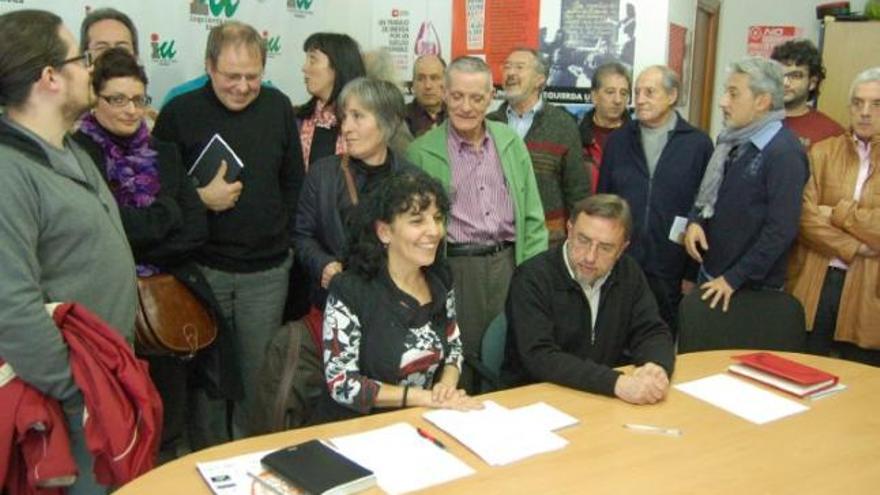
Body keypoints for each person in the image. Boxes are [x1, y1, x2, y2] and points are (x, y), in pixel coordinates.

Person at [71, 48, 239, 458]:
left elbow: (195, 228)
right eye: (117, 99)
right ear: (95, 99)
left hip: (167, 305)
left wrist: (141, 231)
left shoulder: (164, 152)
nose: (131, 110)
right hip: (106, 304)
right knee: (112, 422)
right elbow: (104, 232)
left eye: (139, 99)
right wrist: (166, 214)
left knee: (169, 419)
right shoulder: (78, 154)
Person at [0, 10, 137, 493]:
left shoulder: (70, 150)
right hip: (70, 406)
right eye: (81, 59)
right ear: (50, 77)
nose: (90, 69)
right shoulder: (8, 172)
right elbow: (11, 308)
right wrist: (78, 391)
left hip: (102, 389)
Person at [153, 21, 304, 438]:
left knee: (258, 381)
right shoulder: (179, 113)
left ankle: (246, 462)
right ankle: (207, 461)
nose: (242, 86)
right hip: (203, 273)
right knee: (207, 382)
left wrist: (284, 237)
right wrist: (199, 200)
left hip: (267, 274)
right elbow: (158, 194)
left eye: (252, 77)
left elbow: (293, 182)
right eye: (231, 76)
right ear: (208, 66)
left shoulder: (278, 107)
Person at [407, 56, 548, 392]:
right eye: (457, 96)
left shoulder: (510, 143)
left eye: (476, 98)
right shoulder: (421, 152)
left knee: (511, 353)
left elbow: (532, 216)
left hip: (508, 265)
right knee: (461, 361)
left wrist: (532, 276)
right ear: (444, 94)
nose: (466, 107)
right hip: (455, 269)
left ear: (491, 97)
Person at [312, 170, 482, 423]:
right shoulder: (350, 290)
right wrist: (424, 398)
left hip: (424, 420)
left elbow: (454, 347)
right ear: (384, 232)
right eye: (417, 221)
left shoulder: (440, 278)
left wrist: (446, 389)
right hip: (358, 427)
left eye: (437, 218)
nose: (434, 231)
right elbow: (343, 384)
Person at [503, 195, 675, 404]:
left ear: (622, 249)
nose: (590, 257)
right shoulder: (532, 277)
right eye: (583, 240)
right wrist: (615, 383)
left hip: (600, 399)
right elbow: (540, 357)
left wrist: (655, 367)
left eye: (605, 248)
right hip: (538, 399)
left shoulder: (628, 272)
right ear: (569, 229)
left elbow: (652, 330)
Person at [294, 77, 417, 344]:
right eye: (344, 117)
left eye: (358, 117)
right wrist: (323, 264)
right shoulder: (322, 174)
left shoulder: (412, 180)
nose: (346, 127)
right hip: (337, 307)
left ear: (387, 122)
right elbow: (302, 235)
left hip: (394, 310)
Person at [684, 57, 808, 312]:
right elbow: (710, 194)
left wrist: (734, 278)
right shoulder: (731, 139)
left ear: (762, 101)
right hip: (713, 273)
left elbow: (781, 230)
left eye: (733, 94)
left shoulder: (784, 152)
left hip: (748, 289)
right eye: (725, 92)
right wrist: (696, 220)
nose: (723, 102)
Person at [598, 65, 713, 331]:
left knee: (660, 337)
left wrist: (691, 273)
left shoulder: (697, 144)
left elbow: (705, 210)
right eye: (637, 92)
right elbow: (603, 202)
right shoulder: (619, 141)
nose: (639, 99)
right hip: (622, 261)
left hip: (671, 266)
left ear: (672, 96)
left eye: (649, 92)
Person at [787, 67, 880, 366]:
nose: (865, 112)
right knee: (806, 370)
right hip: (817, 280)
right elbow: (805, 219)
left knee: (862, 382)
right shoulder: (822, 153)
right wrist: (857, 246)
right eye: (857, 102)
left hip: (870, 288)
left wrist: (839, 213)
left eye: (876, 104)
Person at [488, 48, 590, 247]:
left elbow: (577, 190)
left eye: (519, 67)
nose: (510, 73)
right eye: (507, 66)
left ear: (539, 80)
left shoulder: (563, 125)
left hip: (547, 241)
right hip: (497, 242)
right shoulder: (489, 124)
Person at [296, 32, 366, 170]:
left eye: (313, 60)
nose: (304, 68)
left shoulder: (367, 123)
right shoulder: (298, 121)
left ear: (338, 66)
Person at [770, 39, 844, 149]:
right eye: (779, 75)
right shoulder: (755, 122)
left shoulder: (831, 133)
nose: (785, 83)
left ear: (812, 83)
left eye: (795, 76)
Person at [578, 61, 632, 193]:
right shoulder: (576, 137)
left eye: (623, 93)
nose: (618, 100)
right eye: (610, 92)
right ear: (595, 96)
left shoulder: (638, 139)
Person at [406, 54, 447, 137]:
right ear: (413, 83)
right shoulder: (400, 119)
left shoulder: (457, 116)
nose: (428, 85)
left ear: (446, 82)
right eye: (421, 78)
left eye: (434, 78)